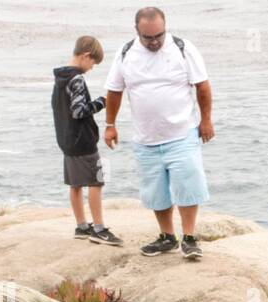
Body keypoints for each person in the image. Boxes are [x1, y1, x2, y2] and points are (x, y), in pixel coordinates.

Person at [102, 7, 213, 260]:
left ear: (165, 28)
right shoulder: (126, 52)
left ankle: (189, 237)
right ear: (136, 31)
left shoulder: (184, 49)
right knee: (156, 192)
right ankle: (167, 237)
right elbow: (114, 90)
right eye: (148, 37)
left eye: (158, 36)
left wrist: (206, 120)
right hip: (146, 138)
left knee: (188, 184)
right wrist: (110, 124)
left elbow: (202, 86)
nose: (154, 42)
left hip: (182, 132)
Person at [52, 36, 123, 245]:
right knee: (96, 181)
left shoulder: (60, 77)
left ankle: (82, 226)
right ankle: (99, 229)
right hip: (82, 140)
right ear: (86, 56)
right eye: (93, 62)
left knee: (75, 185)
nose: (92, 67)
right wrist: (102, 101)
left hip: (66, 139)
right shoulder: (77, 79)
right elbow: (79, 111)